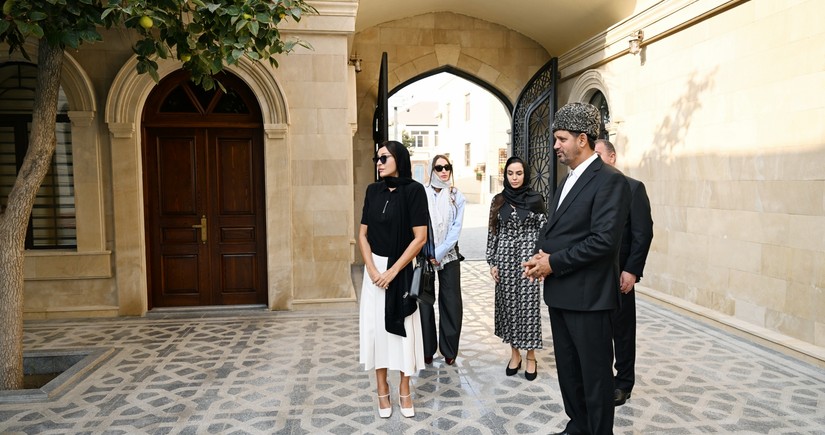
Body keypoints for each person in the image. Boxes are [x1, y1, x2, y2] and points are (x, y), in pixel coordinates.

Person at [523, 102, 630, 435]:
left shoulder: (610, 181)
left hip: (590, 299)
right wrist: (542, 254)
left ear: (582, 139)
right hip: (562, 295)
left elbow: (602, 242)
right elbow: (562, 230)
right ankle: (578, 427)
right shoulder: (568, 179)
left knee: (595, 379)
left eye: (561, 139)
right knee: (570, 374)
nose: (555, 146)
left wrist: (552, 263)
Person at [358, 140, 428, 419]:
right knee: (376, 331)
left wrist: (392, 271)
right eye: (377, 158)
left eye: (384, 157)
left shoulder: (414, 191)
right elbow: (362, 235)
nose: (379, 162)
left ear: (399, 159)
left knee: (403, 332)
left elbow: (420, 237)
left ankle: (405, 389)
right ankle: (381, 391)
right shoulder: (372, 191)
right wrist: (374, 270)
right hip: (374, 272)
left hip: (401, 269)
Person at [594, 139, 654, 407]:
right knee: (598, 331)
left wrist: (631, 271)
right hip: (595, 275)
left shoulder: (633, 187)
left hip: (621, 276)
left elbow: (643, 234)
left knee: (623, 332)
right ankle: (603, 378)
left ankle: (624, 382)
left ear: (612, 157)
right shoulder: (592, 189)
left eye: (598, 155)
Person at [486, 156, 547, 381]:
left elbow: (544, 231)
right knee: (508, 307)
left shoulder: (535, 199)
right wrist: (492, 262)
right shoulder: (498, 200)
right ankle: (514, 353)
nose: (514, 178)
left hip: (527, 261)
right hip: (504, 261)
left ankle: (530, 356)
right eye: (510, 173)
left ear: (525, 174)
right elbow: (493, 232)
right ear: (505, 175)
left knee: (529, 308)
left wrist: (540, 260)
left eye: (519, 173)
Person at [419, 155, 466, 366]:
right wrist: (428, 252)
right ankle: (427, 349)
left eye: (447, 167)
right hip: (424, 254)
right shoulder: (421, 194)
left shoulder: (456, 196)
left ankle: (449, 350)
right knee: (424, 303)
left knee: (451, 302)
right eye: (439, 168)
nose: (444, 171)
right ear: (432, 170)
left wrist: (438, 253)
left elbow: (455, 229)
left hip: (448, 255)